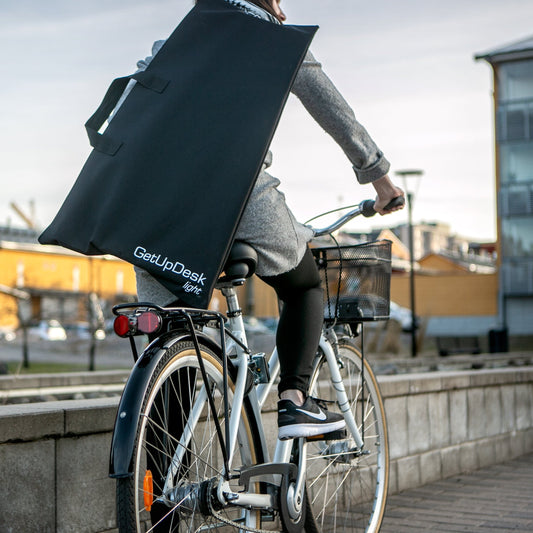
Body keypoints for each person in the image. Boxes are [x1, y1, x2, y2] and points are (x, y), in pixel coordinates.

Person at [133, 0, 404, 440]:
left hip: (148, 209)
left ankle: (156, 494)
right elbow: (336, 112)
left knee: (174, 339)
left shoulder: (175, 43)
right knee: (307, 285)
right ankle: (295, 401)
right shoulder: (275, 38)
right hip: (236, 198)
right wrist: (381, 180)